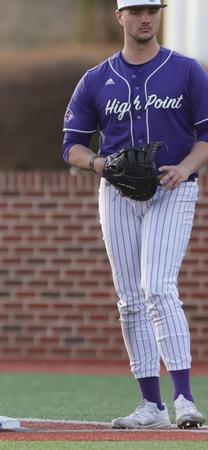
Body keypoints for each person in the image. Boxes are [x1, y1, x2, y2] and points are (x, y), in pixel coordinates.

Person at [63, 0, 208, 430]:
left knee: (157, 286)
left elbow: (206, 137)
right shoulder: (95, 80)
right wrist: (98, 164)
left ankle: (183, 399)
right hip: (117, 193)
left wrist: (184, 168)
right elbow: (72, 145)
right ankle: (151, 405)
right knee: (129, 300)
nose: (146, 18)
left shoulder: (186, 70)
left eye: (153, 10)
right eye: (137, 10)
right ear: (120, 16)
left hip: (173, 188)